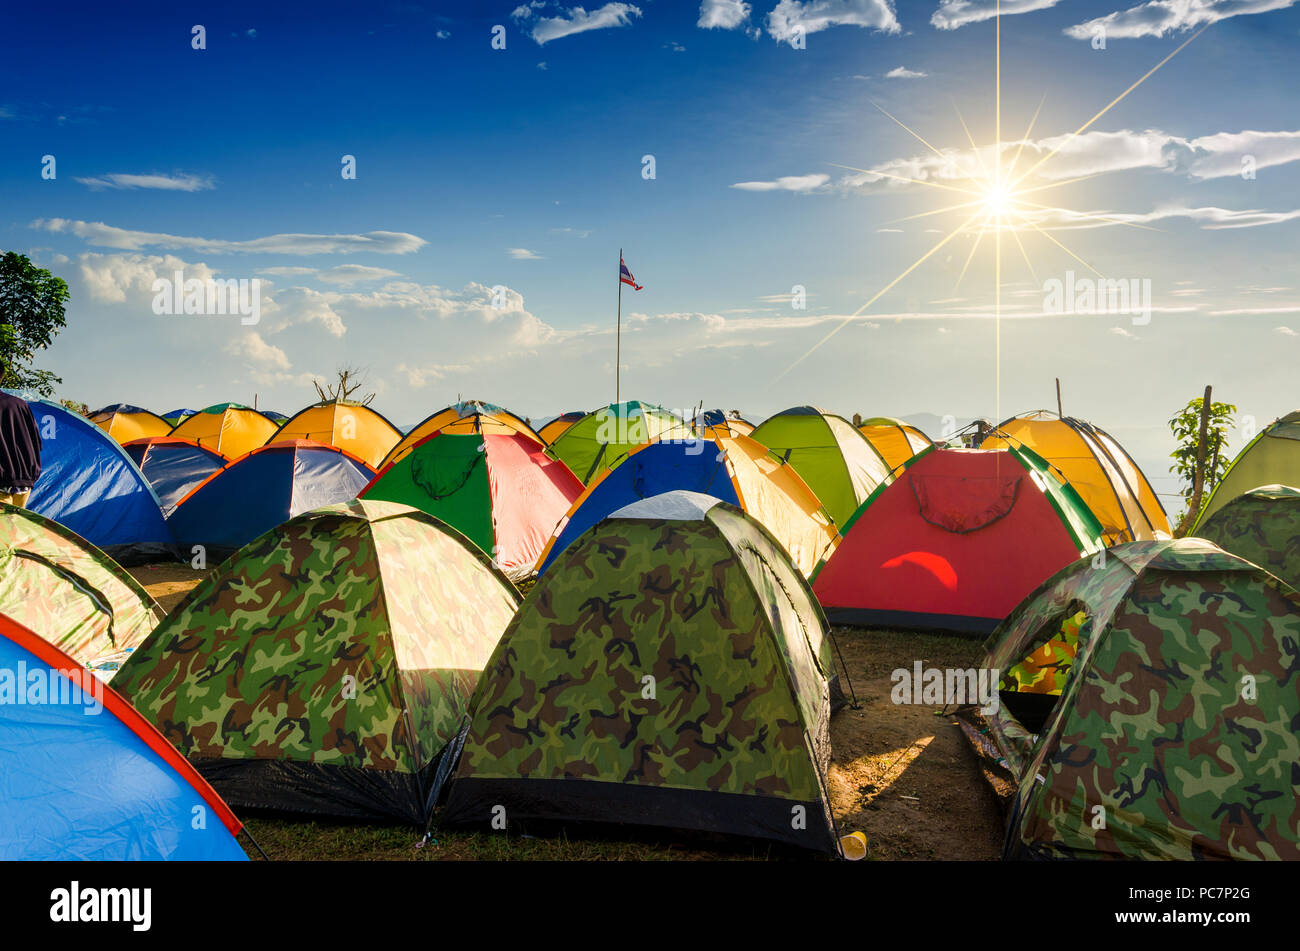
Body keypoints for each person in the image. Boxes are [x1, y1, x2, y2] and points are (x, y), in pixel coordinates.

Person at [0, 390, 41, 507]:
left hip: (3, 480)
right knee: (13, 524)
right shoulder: (20, 404)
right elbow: (36, 442)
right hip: (25, 480)